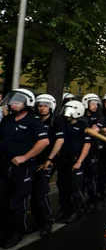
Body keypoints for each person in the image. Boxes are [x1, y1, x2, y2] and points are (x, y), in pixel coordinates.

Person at [0, 89, 49, 248]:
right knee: (3, 200)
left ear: (26, 103)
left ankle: (17, 233)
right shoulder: (7, 120)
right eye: (12, 101)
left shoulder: (33, 121)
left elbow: (44, 142)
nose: (13, 104)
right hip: (5, 166)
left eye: (17, 101)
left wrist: (24, 157)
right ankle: (5, 231)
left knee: (17, 202)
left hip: (23, 168)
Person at [31, 94, 64, 235]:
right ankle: (38, 220)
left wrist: (49, 159)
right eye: (40, 105)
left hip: (48, 160)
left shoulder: (57, 121)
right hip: (33, 159)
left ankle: (47, 220)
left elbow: (60, 141)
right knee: (32, 191)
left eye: (45, 106)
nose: (42, 108)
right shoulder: (34, 120)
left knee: (41, 190)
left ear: (51, 107)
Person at [57, 101, 92, 223]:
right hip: (64, 160)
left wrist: (79, 161)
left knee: (76, 187)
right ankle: (64, 210)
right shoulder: (64, 124)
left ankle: (77, 211)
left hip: (76, 160)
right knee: (62, 185)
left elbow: (87, 145)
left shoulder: (83, 125)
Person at [82, 93, 103, 210]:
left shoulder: (99, 117)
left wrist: (87, 129)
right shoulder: (81, 115)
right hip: (81, 148)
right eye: (92, 104)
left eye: (96, 104)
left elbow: (94, 131)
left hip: (93, 149)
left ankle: (93, 199)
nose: (95, 106)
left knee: (91, 175)